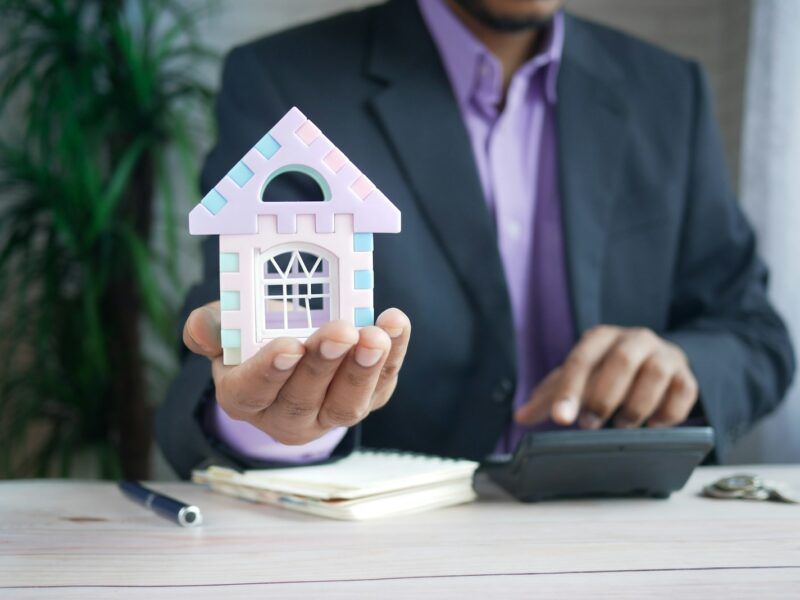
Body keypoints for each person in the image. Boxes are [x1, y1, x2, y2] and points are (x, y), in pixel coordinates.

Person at [156, 0, 795, 478]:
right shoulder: (284, 80)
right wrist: (278, 425)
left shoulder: (668, 92)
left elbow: (754, 334)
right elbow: (234, 338)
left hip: (624, 527)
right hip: (390, 545)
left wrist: (684, 366)